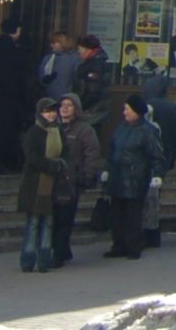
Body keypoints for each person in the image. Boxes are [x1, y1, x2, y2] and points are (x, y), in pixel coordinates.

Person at [100, 94, 165, 261]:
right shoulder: (122, 128)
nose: (124, 112)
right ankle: (118, 245)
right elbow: (112, 151)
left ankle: (133, 247)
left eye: (127, 109)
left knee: (133, 215)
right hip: (117, 178)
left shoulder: (148, 131)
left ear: (136, 111)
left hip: (135, 179)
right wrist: (107, 169)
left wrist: (157, 175)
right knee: (117, 214)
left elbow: (157, 155)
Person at [18, 97, 68, 271]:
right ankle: (28, 260)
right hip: (35, 185)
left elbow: (66, 153)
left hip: (53, 184)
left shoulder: (59, 132)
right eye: (47, 111)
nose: (51, 115)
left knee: (48, 222)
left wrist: (61, 164)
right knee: (33, 223)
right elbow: (32, 158)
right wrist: (52, 165)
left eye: (53, 111)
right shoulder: (34, 132)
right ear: (40, 113)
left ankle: (45, 261)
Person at [53, 94, 102, 267]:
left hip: (72, 181)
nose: (64, 108)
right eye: (62, 105)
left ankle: (59, 253)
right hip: (53, 179)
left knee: (65, 218)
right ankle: (62, 250)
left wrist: (87, 175)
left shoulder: (84, 130)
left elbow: (92, 153)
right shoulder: (54, 126)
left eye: (69, 105)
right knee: (54, 217)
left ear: (76, 109)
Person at [139, 75, 176, 247]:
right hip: (163, 157)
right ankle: (152, 233)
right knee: (154, 196)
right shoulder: (171, 107)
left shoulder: (143, 105)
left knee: (142, 198)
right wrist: (171, 157)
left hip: (142, 159)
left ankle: (145, 233)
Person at [0, 23, 36, 172]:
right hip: (9, 97)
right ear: (17, 30)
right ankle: (2, 160)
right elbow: (16, 75)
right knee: (5, 129)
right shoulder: (11, 48)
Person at [74, 35, 110, 114]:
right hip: (95, 109)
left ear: (88, 49)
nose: (78, 51)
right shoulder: (94, 62)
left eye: (80, 48)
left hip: (92, 111)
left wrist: (80, 106)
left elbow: (93, 91)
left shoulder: (95, 65)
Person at [38, 32, 76, 102]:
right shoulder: (48, 58)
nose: (51, 45)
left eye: (54, 43)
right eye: (51, 42)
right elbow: (41, 77)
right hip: (49, 98)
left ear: (63, 43)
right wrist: (45, 79)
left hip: (67, 99)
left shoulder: (74, 58)